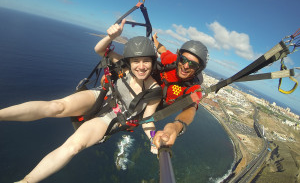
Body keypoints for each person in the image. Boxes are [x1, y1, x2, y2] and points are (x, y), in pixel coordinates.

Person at [0, 19, 162, 183]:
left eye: (146, 61)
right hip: (101, 96)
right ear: (129, 61)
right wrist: (110, 37)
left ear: (152, 62)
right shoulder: (124, 67)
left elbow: (148, 120)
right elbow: (99, 49)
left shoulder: (154, 90)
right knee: (56, 106)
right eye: (136, 61)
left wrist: (153, 138)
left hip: (112, 118)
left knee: (74, 147)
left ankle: (26, 181)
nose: (141, 67)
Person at [152, 32, 208, 149]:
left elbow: (191, 108)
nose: (186, 66)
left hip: (155, 107)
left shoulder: (194, 88)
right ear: (179, 58)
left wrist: (176, 127)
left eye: (192, 64)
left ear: (198, 70)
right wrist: (155, 40)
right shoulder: (172, 61)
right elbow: (163, 50)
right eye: (183, 59)